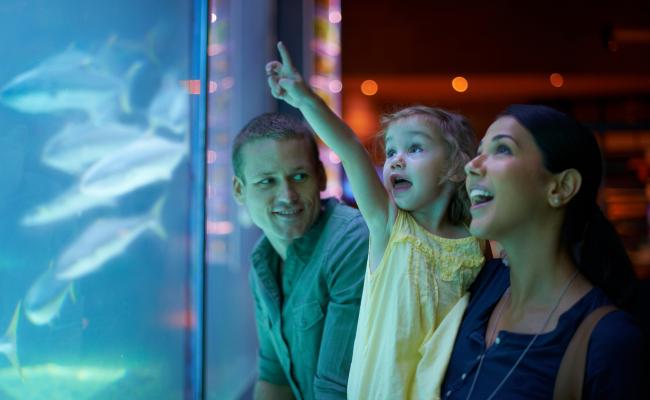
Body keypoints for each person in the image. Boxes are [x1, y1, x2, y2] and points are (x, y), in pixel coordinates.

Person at [267, 42, 484, 399]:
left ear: (456, 167)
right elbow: (350, 148)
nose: (396, 160)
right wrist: (305, 99)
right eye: (392, 151)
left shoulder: (475, 239)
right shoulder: (390, 225)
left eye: (414, 148)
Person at [441, 104, 646, 399]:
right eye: (480, 150)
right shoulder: (481, 285)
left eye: (502, 150)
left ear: (561, 187)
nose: (472, 165)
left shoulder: (608, 342)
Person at [231, 112, 369, 400]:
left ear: (320, 177)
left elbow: (335, 392)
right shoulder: (263, 259)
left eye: (298, 176)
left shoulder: (350, 242)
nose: (287, 195)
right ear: (239, 190)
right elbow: (275, 378)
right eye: (266, 181)